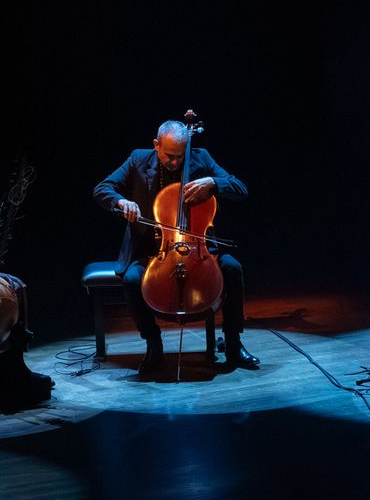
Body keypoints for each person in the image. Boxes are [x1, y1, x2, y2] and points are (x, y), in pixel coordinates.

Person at [94, 119, 260, 377]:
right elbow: (102, 188)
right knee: (131, 280)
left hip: (197, 248)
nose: (174, 162)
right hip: (152, 248)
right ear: (156, 145)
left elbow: (240, 188)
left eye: (179, 157)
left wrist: (213, 183)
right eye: (169, 156)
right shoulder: (138, 159)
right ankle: (153, 343)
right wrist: (121, 201)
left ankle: (233, 344)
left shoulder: (200, 158)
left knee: (232, 268)